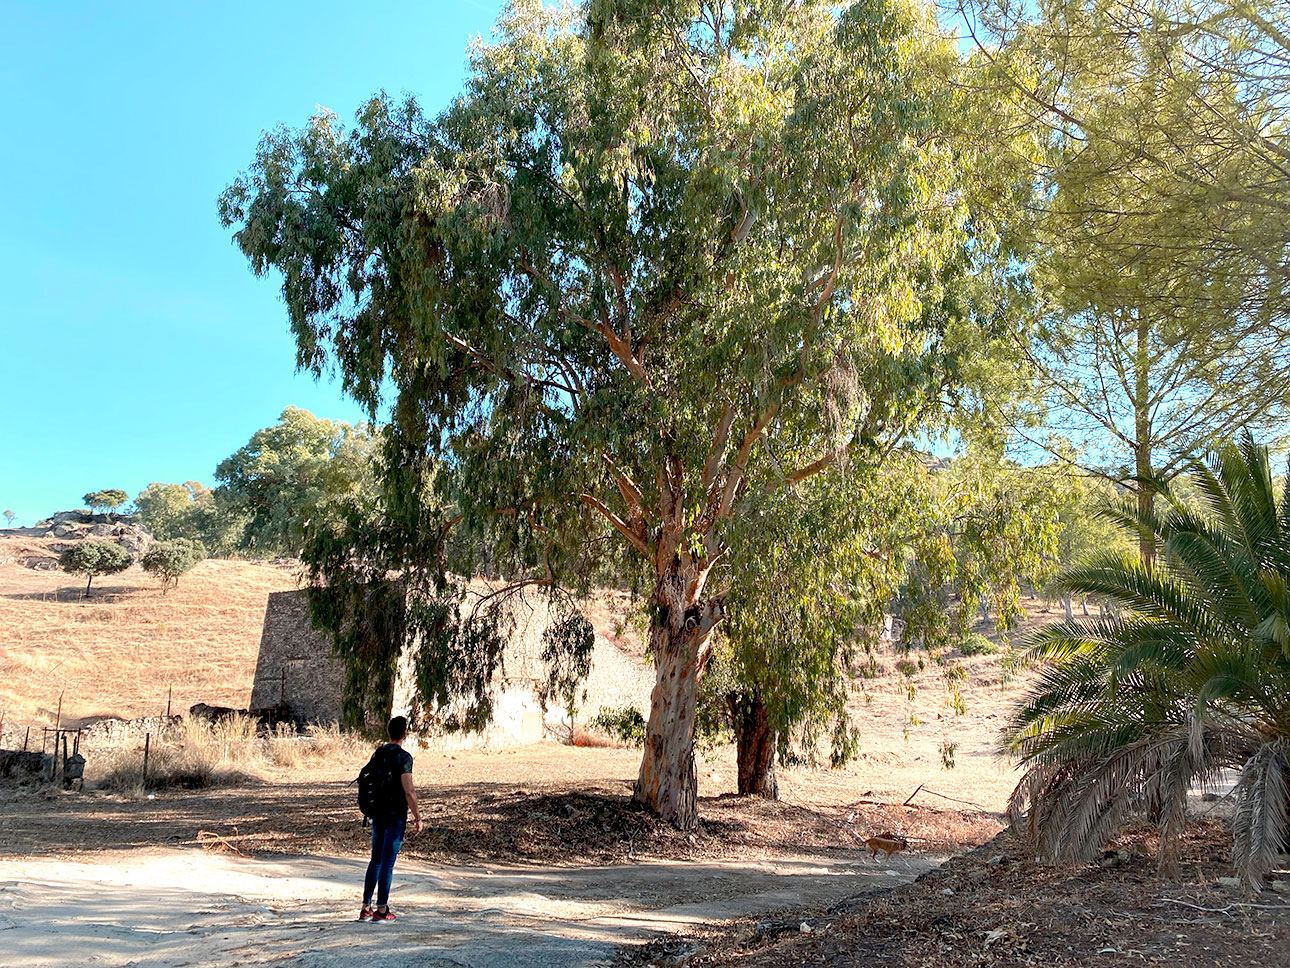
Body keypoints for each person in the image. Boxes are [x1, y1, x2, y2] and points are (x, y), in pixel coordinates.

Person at [360, 716, 422, 922]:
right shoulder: (404, 758)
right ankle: (382, 910)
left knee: (375, 859)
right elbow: (409, 790)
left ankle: (365, 907)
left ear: (389, 732)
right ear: (405, 733)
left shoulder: (378, 753)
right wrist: (417, 817)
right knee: (387, 862)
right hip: (395, 815)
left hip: (377, 812)